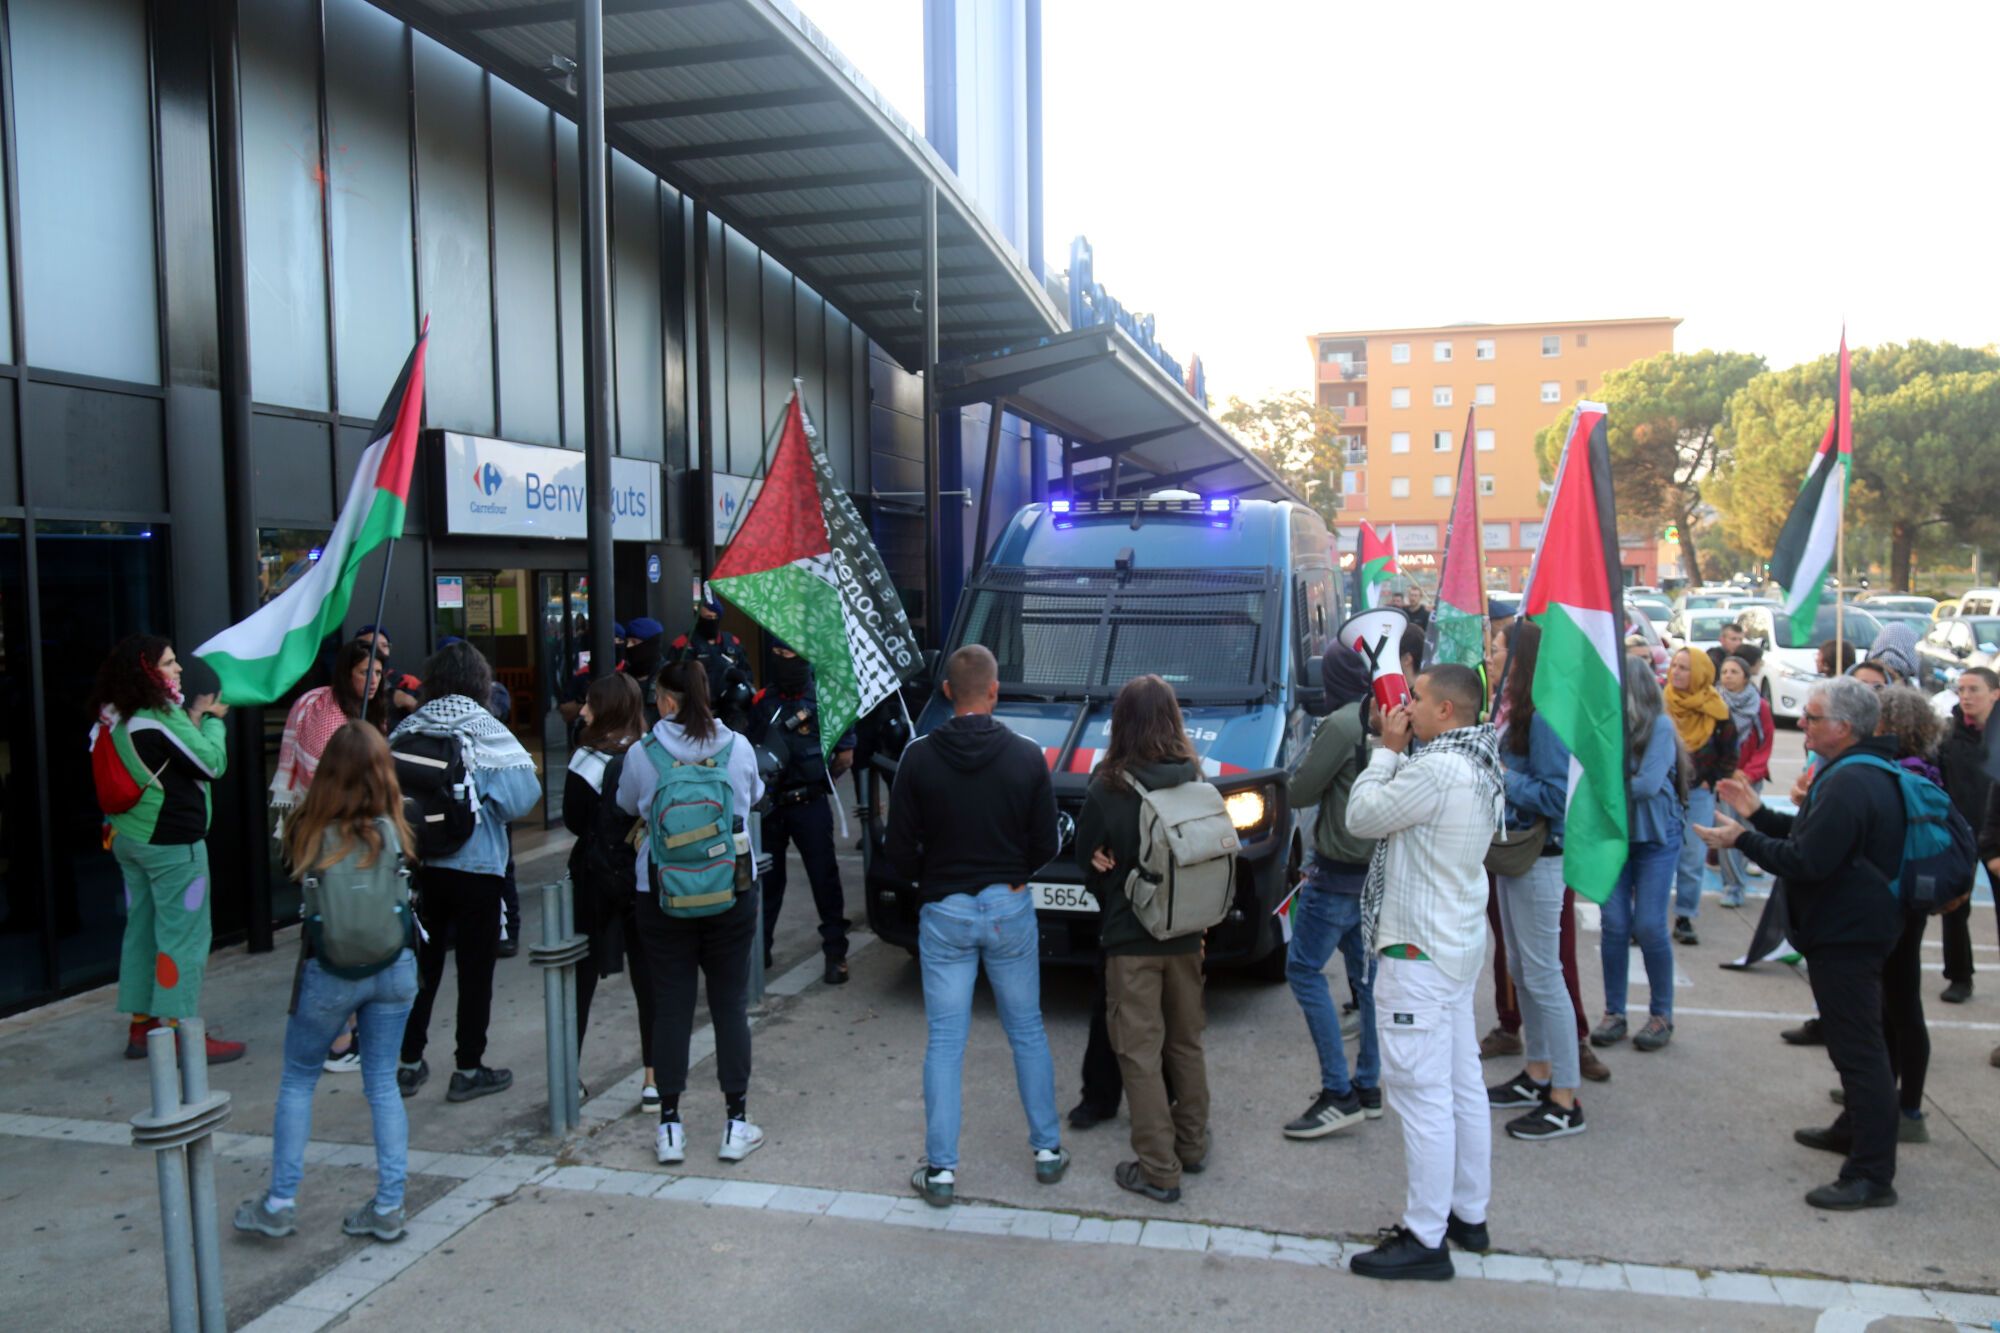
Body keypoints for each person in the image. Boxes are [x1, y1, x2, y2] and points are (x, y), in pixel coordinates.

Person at [1695, 677, 1906, 1210]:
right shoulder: (1851, 773)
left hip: (1850, 932)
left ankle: (1872, 1174)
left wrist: (1743, 838)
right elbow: (1814, 838)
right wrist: (1757, 816)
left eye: (1813, 718)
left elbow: (1807, 861)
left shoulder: (1851, 781)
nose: (1804, 725)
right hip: (1853, 926)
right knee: (1854, 1043)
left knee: (1861, 1052)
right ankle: (1853, 1130)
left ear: (1845, 727)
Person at [883, 645, 1067, 1208]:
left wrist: (931, 882)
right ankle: (1047, 1151)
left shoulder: (917, 757)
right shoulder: (1028, 755)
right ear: (994, 691)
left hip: (945, 909)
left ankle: (941, 1171)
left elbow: (896, 852)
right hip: (1008, 906)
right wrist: (1014, 874)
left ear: (945, 693)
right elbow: (1046, 842)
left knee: (945, 1041)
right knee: (1027, 1029)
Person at [1344, 664, 1501, 1281]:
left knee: (1421, 1095)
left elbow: (1363, 816)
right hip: (1452, 947)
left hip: (1418, 954)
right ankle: (1469, 1214)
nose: (1402, 704)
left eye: (1415, 698)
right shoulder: (1480, 760)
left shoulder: (1436, 769)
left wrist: (1386, 754)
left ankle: (1425, 1235)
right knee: (1462, 1087)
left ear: (1445, 713)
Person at [233, 722, 419, 1244]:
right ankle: (388, 1207)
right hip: (394, 966)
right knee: (383, 1084)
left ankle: (280, 1203)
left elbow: (287, 866)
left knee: (298, 1080)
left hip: (329, 970)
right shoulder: (400, 826)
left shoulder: (305, 830)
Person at [617, 660, 767, 1165]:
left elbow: (627, 804)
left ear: (667, 700)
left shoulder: (643, 753)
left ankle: (670, 1128)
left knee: (671, 1006)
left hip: (660, 894)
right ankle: (735, 1123)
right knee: (729, 1006)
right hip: (730, 892)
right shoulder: (738, 747)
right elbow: (753, 797)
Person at [1075, 675, 1212, 1203]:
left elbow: (1089, 864)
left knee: (1139, 1053)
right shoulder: (1195, 779)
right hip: (1186, 936)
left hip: (1131, 940)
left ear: (1122, 722)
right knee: (1186, 1043)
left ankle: (1158, 1168)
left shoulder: (1109, 787)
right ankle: (1193, 1146)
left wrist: (1104, 865)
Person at [392, 642, 540, 1104]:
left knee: (422, 969)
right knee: (475, 973)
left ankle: (409, 1063)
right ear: (480, 680)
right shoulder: (483, 727)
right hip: (477, 869)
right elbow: (520, 798)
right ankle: (468, 1067)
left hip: (418, 868)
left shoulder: (408, 726)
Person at [93, 637, 244, 1063]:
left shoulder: (116, 714)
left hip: (129, 838)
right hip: (172, 845)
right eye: (169, 663)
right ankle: (179, 1032)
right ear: (147, 671)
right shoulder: (158, 715)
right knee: (184, 938)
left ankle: (142, 1027)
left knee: (142, 933)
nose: (178, 669)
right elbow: (211, 764)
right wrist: (214, 721)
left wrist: (192, 715)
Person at [1478, 622, 1602, 1080]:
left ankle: (1565, 1094)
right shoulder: (1510, 710)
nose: (1489, 658)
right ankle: (1538, 1073)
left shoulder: (1547, 715)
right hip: (1513, 855)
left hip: (1541, 856)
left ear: (1518, 660)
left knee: (1545, 976)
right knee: (1522, 969)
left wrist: (1500, 775)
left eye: (1496, 650)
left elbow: (1556, 796)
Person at [273, 639, 396, 1075]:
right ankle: (338, 1040)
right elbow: (328, 780)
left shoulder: (367, 711)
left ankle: (347, 1028)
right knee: (332, 931)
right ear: (347, 672)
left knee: (353, 927)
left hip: (355, 836)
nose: (373, 681)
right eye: (366, 673)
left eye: (379, 674)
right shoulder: (326, 714)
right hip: (327, 835)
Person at [1280, 643, 1382, 1139]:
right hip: (1372, 874)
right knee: (1367, 985)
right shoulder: (1379, 717)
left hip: (1337, 872)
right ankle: (1368, 1087)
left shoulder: (1341, 724)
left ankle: (1337, 1093)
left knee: (1302, 970)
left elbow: (1300, 791)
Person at [564, 673, 656, 1110]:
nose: (583, 711)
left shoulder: (586, 759)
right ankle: (655, 1078)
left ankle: (568, 1076)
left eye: (590, 704)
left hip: (593, 878)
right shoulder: (652, 751)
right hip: (642, 874)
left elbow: (572, 820)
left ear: (607, 710)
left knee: (579, 977)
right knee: (650, 975)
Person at [1863, 687, 1943, 1143]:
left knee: (1902, 1003)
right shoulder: (1923, 768)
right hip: (1911, 897)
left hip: (1897, 899)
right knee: (1893, 1000)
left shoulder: (1901, 774)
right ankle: (1887, 1090)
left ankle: (1909, 1109)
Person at [749, 642, 856, 984]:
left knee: (824, 879)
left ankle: (835, 953)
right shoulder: (762, 701)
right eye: (777, 655)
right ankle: (759, 951)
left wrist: (821, 781)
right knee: (767, 881)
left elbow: (845, 756)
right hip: (772, 805)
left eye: (791, 655)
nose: (784, 661)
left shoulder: (826, 699)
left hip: (810, 803)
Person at [1593, 668, 1681, 1052]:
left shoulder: (1660, 727)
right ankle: (1615, 1013)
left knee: (1648, 925)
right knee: (1613, 924)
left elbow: (1646, 785)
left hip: (1656, 838)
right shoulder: (1604, 724)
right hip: (1613, 838)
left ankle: (1661, 1014)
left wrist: (1602, 780)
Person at [1667, 648, 1738, 946]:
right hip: (1662, 793)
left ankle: (1684, 916)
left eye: (1684, 667)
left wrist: (1712, 779)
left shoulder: (1717, 710)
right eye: (1674, 665)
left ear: (1699, 673)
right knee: (1656, 854)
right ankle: (1648, 917)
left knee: (1693, 856)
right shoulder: (1661, 703)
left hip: (1698, 792)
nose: (1677, 672)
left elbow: (1730, 752)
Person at [1934, 665, 1995, 1005]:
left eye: (1974, 690)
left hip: (1997, 838)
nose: (1967, 697)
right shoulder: (1948, 733)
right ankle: (1959, 976)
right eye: (1962, 690)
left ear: (1995, 694)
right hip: (1959, 833)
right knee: (1954, 907)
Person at [1716, 654, 1774, 908]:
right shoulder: (1714, 702)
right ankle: (1733, 886)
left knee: (1747, 831)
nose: (1728, 676)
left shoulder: (1759, 706)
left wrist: (1749, 773)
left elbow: (1766, 743)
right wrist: (1728, 771)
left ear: (1746, 677)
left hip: (1750, 780)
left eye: (1734, 672)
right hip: (1726, 778)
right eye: (1725, 671)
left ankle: (1740, 877)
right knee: (1727, 831)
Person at [667, 591, 753, 727]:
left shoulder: (732, 642)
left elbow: (748, 675)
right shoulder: (683, 644)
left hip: (731, 714)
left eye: (715, 617)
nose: (711, 621)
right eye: (707, 617)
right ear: (698, 617)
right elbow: (673, 680)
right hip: (695, 715)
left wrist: (741, 678)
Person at [352, 625, 420, 722]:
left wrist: (410, 702)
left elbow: (427, 715)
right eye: (371, 645)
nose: (380, 651)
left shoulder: (407, 681)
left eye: (384, 645)